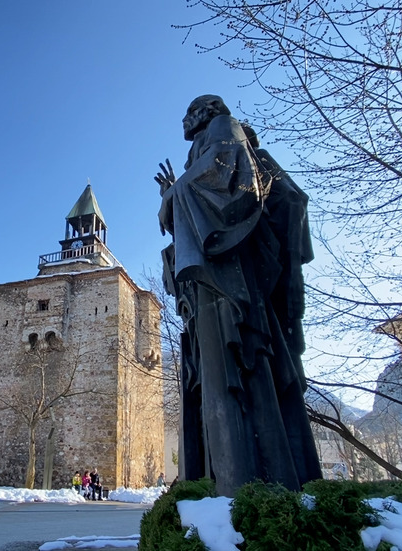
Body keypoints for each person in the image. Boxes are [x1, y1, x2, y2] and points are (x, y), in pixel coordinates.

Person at [155, 94, 322, 495]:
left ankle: (245, 491)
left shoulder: (222, 130)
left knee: (237, 372)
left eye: (188, 111)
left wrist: (175, 193)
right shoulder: (211, 143)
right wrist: (175, 194)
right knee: (235, 374)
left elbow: (230, 186)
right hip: (224, 280)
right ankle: (233, 489)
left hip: (228, 281)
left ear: (206, 111)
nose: (183, 120)